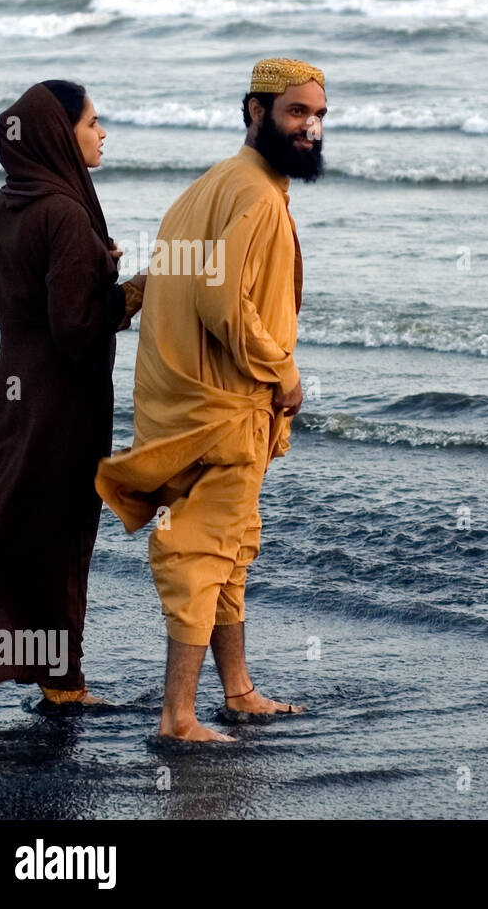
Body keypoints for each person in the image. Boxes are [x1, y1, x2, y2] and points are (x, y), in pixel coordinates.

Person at [95, 58, 325, 742]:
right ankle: (178, 718)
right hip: (225, 410)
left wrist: (121, 299)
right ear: (255, 112)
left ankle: (239, 691)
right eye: (295, 112)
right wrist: (282, 370)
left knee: (230, 549)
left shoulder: (209, 187)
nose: (309, 126)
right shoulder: (253, 195)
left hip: (182, 406)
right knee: (200, 552)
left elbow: (172, 271)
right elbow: (224, 303)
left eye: (317, 115)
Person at [0, 81, 146, 704]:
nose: (101, 134)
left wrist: (95, 267)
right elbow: (76, 331)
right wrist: (127, 293)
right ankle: (63, 686)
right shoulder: (66, 212)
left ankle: (34, 667)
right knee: (59, 535)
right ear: (57, 134)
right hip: (60, 405)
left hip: (9, 392)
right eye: (93, 123)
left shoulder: (8, 201)